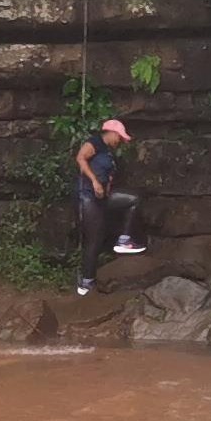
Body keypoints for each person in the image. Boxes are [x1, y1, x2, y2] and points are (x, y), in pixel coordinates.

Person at [73, 117, 142, 294]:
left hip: (103, 197)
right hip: (87, 196)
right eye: (119, 137)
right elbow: (81, 158)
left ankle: (124, 240)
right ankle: (87, 282)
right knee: (94, 240)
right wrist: (95, 182)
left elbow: (109, 177)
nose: (120, 141)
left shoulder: (110, 154)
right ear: (111, 132)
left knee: (132, 199)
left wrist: (106, 187)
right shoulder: (94, 142)